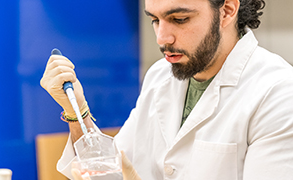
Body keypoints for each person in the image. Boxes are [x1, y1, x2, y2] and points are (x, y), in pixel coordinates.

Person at [40, 0, 293, 179]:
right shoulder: (160, 75)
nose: (162, 38)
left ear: (227, 10)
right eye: (154, 20)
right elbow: (113, 170)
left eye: (179, 19)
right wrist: (77, 110)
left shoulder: (278, 92)